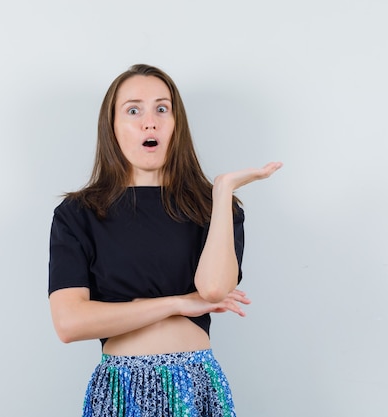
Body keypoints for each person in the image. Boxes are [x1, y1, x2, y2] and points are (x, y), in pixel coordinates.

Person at [48, 64, 282, 417]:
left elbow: (215, 289)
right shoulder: (78, 213)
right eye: (133, 110)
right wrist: (176, 304)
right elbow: (69, 323)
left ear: (176, 124)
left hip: (195, 385)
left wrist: (221, 192)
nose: (150, 122)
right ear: (112, 127)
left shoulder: (214, 207)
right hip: (120, 389)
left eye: (162, 108)